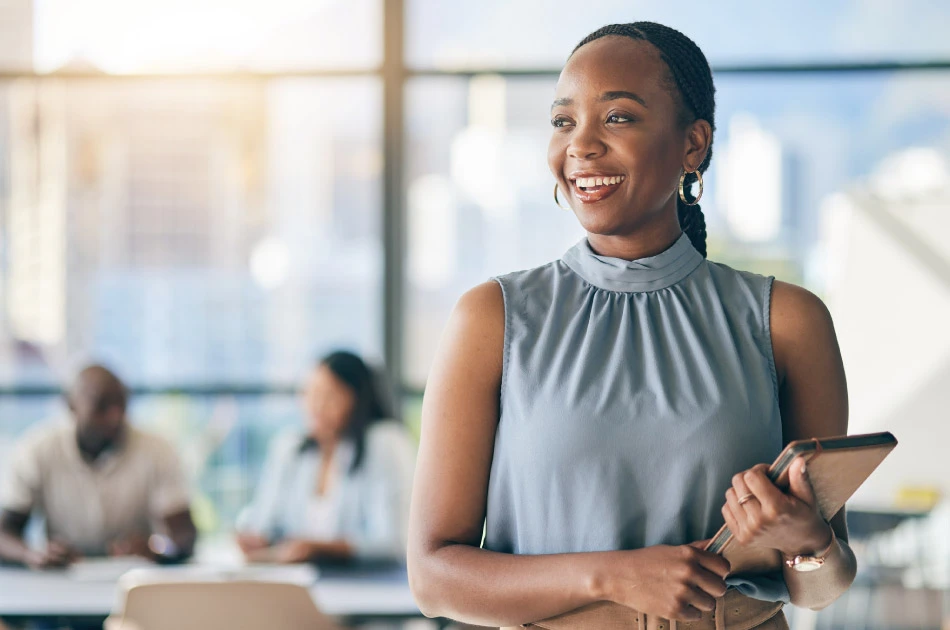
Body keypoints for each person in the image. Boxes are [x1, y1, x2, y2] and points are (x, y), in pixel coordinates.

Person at [408, 22, 857, 628]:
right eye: (564, 121)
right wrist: (614, 575)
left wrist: (808, 538)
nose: (581, 145)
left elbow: (824, 586)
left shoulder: (788, 322)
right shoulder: (493, 319)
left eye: (617, 117)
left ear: (693, 145)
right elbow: (433, 578)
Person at [0, 365, 196, 568]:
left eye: (121, 404)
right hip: (60, 582)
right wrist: (31, 554)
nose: (115, 416)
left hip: (134, 580)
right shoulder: (36, 450)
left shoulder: (157, 451)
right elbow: (4, 535)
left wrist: (157, 549)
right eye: (101, 406)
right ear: (71, 405)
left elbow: (185, 536)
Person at [236, 351, 415, 565]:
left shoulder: (385, 442)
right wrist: (257, 539)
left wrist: (321, 549)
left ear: (357, 398)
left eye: (329, 395)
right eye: (309, 394)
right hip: (297, 579)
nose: (316, 406)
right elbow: (263, 521)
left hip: (365, 585)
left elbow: (394, 542)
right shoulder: (291, 448)